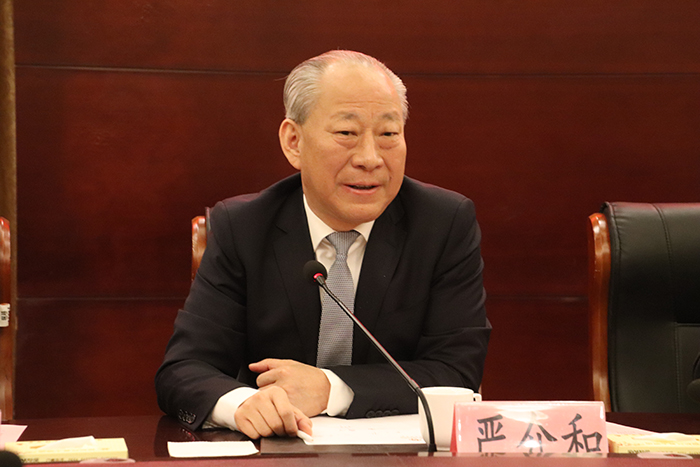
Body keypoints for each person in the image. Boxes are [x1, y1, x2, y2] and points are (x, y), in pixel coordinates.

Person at [155, 50, 490, 440]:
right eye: (347, 133)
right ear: (294, 141)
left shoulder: (442, 223)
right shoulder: (244, 227)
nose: (370, 158)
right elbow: (183, 369)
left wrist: (331, 389)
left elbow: (457, 371)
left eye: (388, 134)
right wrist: (243, 404)